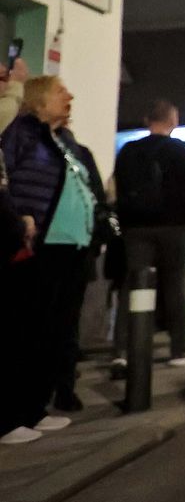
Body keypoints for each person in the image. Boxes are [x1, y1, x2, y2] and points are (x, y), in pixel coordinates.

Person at [0, 77, 107, 443]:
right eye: (61, 92)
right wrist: (20, 217)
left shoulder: (62, 140)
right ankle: (9, 416)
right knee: (25, 333)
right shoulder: (22, 132)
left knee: (53, 333)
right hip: (40, 245)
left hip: (71, 249)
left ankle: (33, 409)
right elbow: (6, 180)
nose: (70, 97)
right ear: (39, 100)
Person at [113, 99, 185, 369]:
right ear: (172, 120)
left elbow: (121, 186)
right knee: (174, 286)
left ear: (146, 120)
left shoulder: (129, 150)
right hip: (172, 227)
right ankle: (178, 350)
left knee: (132, 285)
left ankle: (121, 350)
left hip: (137, 228)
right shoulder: (179, 149)